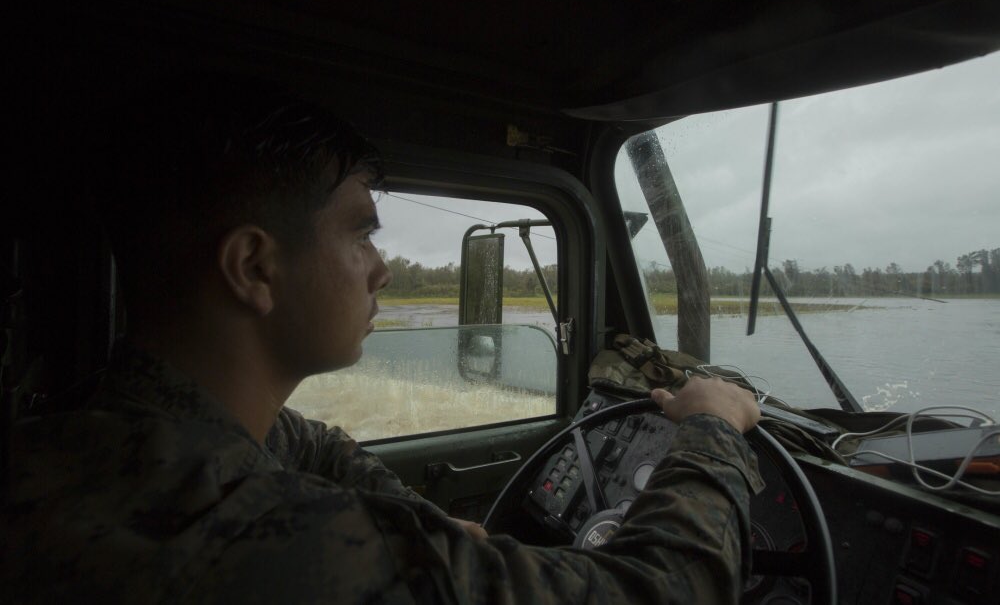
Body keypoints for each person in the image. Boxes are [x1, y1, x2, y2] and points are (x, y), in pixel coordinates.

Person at [0, 73, 763, 603]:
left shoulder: (85, 437)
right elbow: (674, 590)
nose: (383, 270)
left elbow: (304, 443)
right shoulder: (286, 544)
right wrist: (710, 426)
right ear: (254, 267)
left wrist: (429, 526)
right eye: (361, 233)